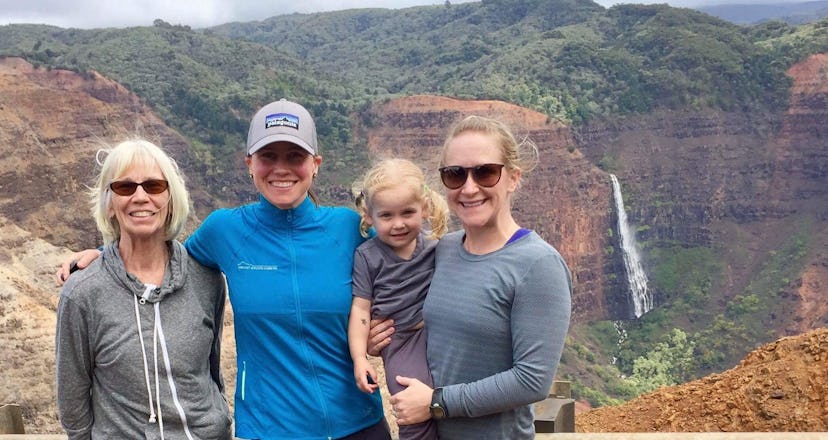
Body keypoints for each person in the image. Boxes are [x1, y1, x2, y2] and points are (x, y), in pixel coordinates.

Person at [57, 99, 390, 440]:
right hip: (270, 429)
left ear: (316, 164)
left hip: (359, 423)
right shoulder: (225, 230)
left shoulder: (350, 229)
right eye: (268, 156)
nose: (281, 168)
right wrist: (104, 254)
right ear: (249, 163)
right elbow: (164, 252)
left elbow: (412, 270)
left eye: (294, 156)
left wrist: (385, 330)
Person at [370, 115, 572, 439]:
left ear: (513, 178)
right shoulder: (443, 249)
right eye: (455, 175)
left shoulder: (538, 264)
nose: (469, 187)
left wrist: (437, 403)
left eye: (485, 172)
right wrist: (379, 335)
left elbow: (532, 380)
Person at [55, 139, 232, 439]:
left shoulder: (206, 279)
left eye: (153, 186)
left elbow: (212, 375)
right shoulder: (82, 294)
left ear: (171, 200)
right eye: (125, 187)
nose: (140, 197)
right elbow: (73, 403)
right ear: (109, 203)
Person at [348, 158, 449, 440]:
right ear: (369, 216)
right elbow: (361, 309)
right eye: (387, 216)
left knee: (450, 407)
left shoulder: (437, 247)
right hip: (400, 342)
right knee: (411, 410)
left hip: (440, 336)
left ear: (425, 208)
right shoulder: (367, 257)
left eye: (407, 212)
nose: (398, 224)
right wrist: (359, 357)